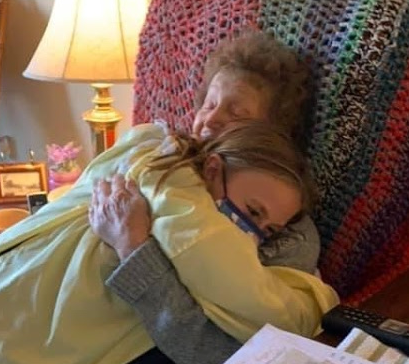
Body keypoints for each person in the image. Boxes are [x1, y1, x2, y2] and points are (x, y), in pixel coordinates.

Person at [0, 121, 337, 364]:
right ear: (212, 169)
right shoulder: (166, 184)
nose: (251, 232)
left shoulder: (260, 258)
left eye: (268, 229)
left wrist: (133, 248)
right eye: (252, 210)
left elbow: (217, 348)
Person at [92, 32, 329, 364]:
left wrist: (132, 247)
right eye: (209, 103)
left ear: (268, 136)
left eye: (237, 113)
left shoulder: (288, 231)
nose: (212, 119)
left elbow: (225, 351)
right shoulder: (159, 155)